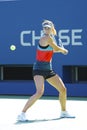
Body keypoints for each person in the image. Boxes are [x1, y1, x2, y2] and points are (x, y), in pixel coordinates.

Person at [17, 20, 74, 121]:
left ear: (52, 28)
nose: (46, 29)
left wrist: (60, 50)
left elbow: (53, 50)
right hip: (38, 69)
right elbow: (56, 48)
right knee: (39, 92)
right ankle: (22, 114)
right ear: (43, 29)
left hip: (48, 70)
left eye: (48, 28)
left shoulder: (50, 38)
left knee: (63, 89)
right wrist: (63, 50)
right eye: (45, 28)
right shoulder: (45, 38)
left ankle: (64, 112)